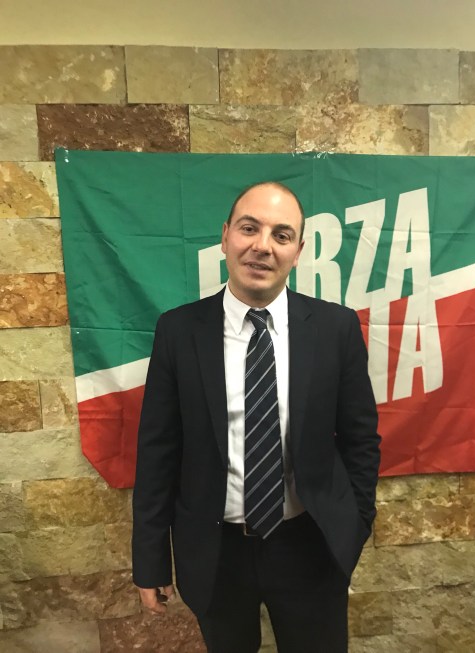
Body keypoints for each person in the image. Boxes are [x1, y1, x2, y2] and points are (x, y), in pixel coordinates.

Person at [132, 181, 381, 653]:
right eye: (249, 228)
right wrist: (150, 559)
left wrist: (354, 527)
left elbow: (360, 439)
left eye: (281, 235)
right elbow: (158, 451)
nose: (263, 246)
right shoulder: (179, 330)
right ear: (225, 236)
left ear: (298, 252)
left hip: (311, 546)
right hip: (215, 552)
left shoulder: (336, 328)